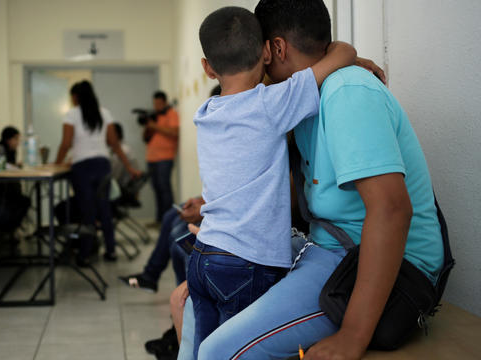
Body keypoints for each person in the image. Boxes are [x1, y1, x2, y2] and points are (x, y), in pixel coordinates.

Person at [181, 1, 444, 359]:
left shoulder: (346, 91)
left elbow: (392, 211)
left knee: (218, 352)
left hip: (369, 260)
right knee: (189, 303)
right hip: (325, 247)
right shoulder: (301, 99)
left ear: (275, 49)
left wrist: (353, 334)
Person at [188, 7, 356, 356]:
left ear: (207, 68)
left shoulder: (206, 114)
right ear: (267, 52)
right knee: (241, 350)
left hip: (204, 255)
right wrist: (354, 63)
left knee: (206, 350)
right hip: (246, 262)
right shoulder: (271, 104)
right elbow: (344, 53)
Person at [55, 80, 140, 265]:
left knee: (87, 211)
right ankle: (111, 251)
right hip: (102, 165)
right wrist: (129, 167)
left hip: (82, 168)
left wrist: (56, 164)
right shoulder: (104, 113)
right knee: (104, 209)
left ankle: (85, 254)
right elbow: (115, 144)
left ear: (75, 96)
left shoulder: (72, 114)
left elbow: (66, 143)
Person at [144, 91, 179, 227]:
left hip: (165, 157)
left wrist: (154, 126)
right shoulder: (154, 116)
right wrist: (148, 126)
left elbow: (174, 132)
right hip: (151, 158)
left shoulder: (171, 113)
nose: (156, 106)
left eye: (159, 103)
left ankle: (168, 222)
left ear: (164, 102)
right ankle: (159, 220)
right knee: (157, 189)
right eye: (155, 104)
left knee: (165, 189)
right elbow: (146, 138)